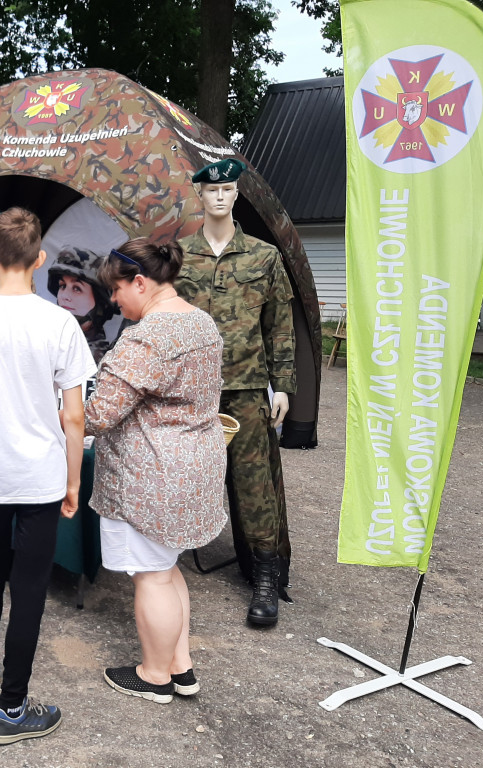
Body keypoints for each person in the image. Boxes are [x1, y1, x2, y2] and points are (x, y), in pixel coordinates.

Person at [0, 207, 96, 745]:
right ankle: (11, 709)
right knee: (28, 590)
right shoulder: (60, 323)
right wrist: (73, 482)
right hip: (42, 478)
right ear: (39, 259)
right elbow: (73, 416)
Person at [84, 239, 227, 703]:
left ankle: (153, 675)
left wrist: (55, 405)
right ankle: (180, 666)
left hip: (151, 476)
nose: (114, 301)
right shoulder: (200, 321)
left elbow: (99, 414)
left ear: (140, 283)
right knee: (167, 568)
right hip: (192, 467)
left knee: (152, 577)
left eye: (117, 290)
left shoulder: (148, 336)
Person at [175, 159, 296, 627]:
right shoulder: (181, 255)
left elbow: (280, 328)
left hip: (246, 390)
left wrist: (282, 385)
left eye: (228, 189)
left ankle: (264, 577)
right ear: (200, 197)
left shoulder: (263, 257)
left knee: (253, 487)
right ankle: (163, 566)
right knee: (181, 474)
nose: (220, 197)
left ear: (236, 195)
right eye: (213, 190)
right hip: (190, 391)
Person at [47, 247, 117, 363]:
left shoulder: (96, 360)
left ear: (99, 302)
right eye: (62, 286)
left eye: (77, 289)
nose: (65, 296)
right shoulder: (49, 340)